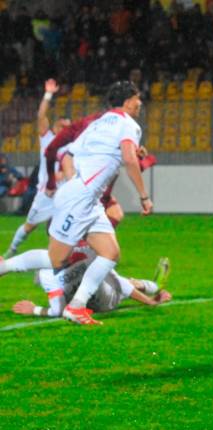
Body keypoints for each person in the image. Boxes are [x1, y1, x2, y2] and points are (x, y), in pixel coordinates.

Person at [0, 81, 153, 325]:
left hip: (85, 198)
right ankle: (4, 267)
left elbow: (69, 154)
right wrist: (144, 196)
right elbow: (128, 158)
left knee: (110, 253)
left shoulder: (98, 123)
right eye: (137, 98)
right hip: (80, 198)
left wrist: (77, 183)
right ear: (126, 101)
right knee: (56, 260)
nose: (140, 103)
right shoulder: (128, 124)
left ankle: (76, 307)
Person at [5, 79, 71, 258]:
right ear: (56, 126)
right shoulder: (47, 138)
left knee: (69, 225)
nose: (64, 129)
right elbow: (41, 115)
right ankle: (11, 251)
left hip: (65, 192)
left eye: (67, 127)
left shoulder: (72, 144)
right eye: (61, 126)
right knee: (30, 225)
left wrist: (65, 173)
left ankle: (63, 258)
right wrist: (48, 94)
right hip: (46, 192)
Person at [12, 251, 171, 319]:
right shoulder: (84, 253)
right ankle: (154, 286)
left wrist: (34, 309)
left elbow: (58, 310)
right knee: (121, 280)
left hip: (87, 305)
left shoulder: (44, 273)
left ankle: (153, 286)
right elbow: (121, 284)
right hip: (108, 299)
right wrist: (150, 302)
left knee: (120, 280)